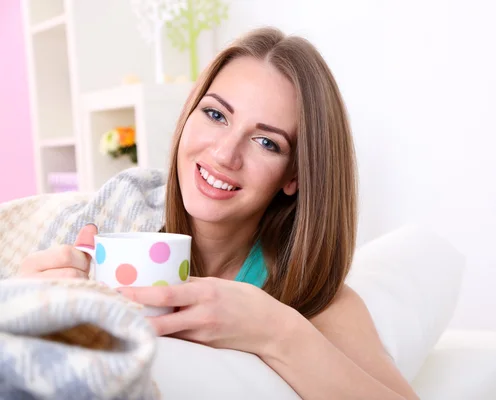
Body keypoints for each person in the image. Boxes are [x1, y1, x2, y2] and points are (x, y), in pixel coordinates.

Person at [18, 27, 418, 400]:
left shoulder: (308, 293)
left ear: (294, 175)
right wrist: (22, 298)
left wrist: (278, 331)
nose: (225, 154)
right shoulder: (119, 209)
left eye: (266, 141)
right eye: (215, 114)